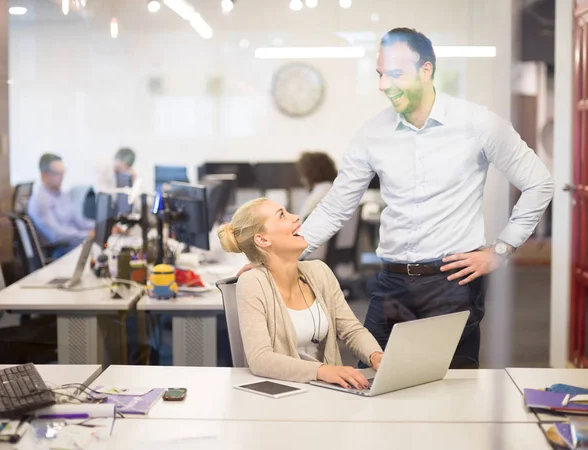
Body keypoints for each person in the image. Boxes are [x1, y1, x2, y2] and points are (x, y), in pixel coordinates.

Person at [240, 28, 555, 369]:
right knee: (373, 384)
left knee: (453, 395)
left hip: (452, 282)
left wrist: (501, 250)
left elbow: (539, 183)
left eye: (394, 74)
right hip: (391, 282)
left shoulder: (478, 124)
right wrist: (272, 258)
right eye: (379, 75)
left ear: (426, 70)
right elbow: (335, 206)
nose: (382, 85)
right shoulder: (371, 134)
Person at [218, 198, 383, 387]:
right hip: (281, 394)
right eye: (282, 215)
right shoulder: (253, 282)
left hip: (326, 390)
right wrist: (321, 371)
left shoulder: (319, 271)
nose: (296, 217)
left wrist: (375, 355)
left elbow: (351, 330)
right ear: (262, 239)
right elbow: (260, 358)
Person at [27, 153, 95, 258]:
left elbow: (78, 221)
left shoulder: (61, 194)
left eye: (63, 173)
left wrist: (100, 227)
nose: (62, 177)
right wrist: (87, 234)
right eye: (57, 173)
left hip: (73, 243)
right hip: (59, 250)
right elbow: (56, 235)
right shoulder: (40, 201)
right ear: (44, 175)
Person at [296, 151, 337, 220]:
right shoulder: (332, 190)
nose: (301, 180)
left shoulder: (316, 197)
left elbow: (301, 224)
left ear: (308, 174)